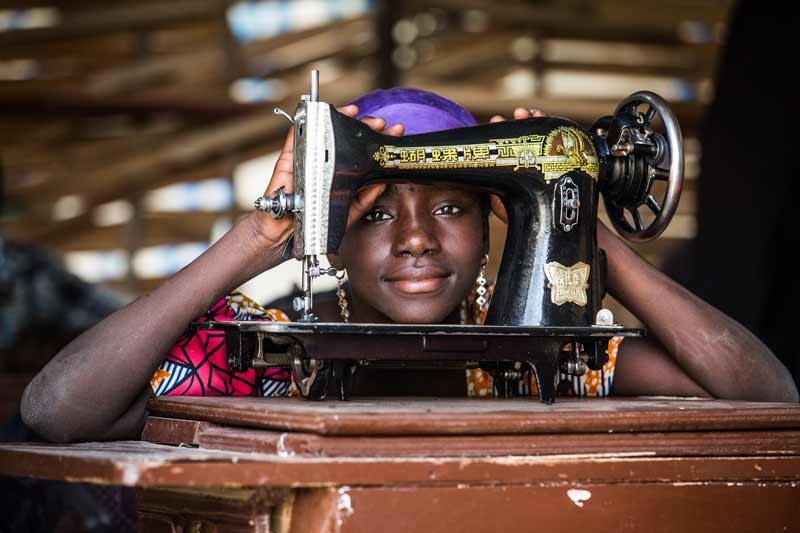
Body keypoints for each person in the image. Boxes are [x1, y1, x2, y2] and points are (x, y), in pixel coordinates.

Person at [20, 88, 798, 444]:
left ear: (504, 211)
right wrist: (261, 234)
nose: (417, 238)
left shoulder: (550, 360)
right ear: (336, 227)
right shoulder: (264, 354)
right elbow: (56, 411)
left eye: (453, 208)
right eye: (378, 213)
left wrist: (594, 237)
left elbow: (767, 397)